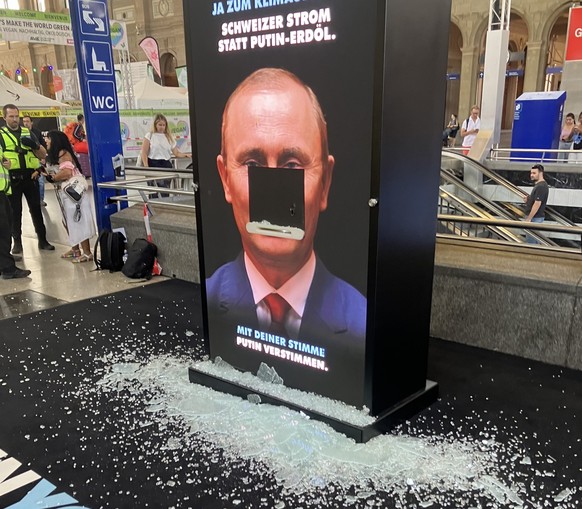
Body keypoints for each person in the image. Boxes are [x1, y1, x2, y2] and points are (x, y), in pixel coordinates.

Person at [207, 67, 366, 352]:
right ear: (225, 180)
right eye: (252, 165)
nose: (273, 194)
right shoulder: (207, 304)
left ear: (325, 183)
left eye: (293, 165)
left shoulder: (364, 327)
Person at [0, 104, 54, 254]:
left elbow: (43, 155)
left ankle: (43, 240)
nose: (15, 119)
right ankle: (17, 243)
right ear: (4, 117)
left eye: (17, 116)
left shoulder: (27, 132)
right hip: (13, 180)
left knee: (36, 209)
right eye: (11, 116)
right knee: (15, 213)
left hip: (31, 178)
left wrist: (35, 145)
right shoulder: (1, 135)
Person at [43, 130, 96, 263]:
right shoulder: (57, 154)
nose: (46, 141)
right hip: (67, 194)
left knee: (78, 221)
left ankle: (87, 253)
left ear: (55, 140)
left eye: (48, 138)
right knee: (68, 221)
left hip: (74, 195)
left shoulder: (63, 153)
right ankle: (75, 249)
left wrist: (53, 177)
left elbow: (66, 172)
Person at [139, 113, 191, 195]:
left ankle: (164, 205)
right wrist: (146, 167)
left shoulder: (169, 137)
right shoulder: (149, 135)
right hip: (153, 164)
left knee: (165, 191)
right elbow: (144, 152)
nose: (162, 127)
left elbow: (176, 152)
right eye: (160, 125)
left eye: (163, 125)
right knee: (154, 191)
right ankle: (154, 206)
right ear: (155, 125)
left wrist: (186, 155)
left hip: (166, 165)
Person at [0, 147, 31, 279]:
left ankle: (4, 260)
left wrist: (6, 164)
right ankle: (7, 268)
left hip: (3, 191)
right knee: (3, 231)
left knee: (6, 227)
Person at [22, 115, 48, 206]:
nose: (25, 123)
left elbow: (43, 145)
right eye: (24, 121)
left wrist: (43, 158)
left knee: (40, 182)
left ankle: (40, 199)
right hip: (26, 163)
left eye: (27, 121)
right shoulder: (21, 133)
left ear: (31, 122)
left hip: (38, 161)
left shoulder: (37, 132)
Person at [523, 163, 549, 244]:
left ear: (541, 173)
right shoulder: (539, 185)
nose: (532, 175)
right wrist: (529, 200)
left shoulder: (541, 186)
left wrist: (529, 218)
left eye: (534, 173)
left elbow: (537, 204)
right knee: (534, 241)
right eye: (531, 173)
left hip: (534, 218)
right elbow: (536, 201)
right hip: (535, 218)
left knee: (531, 243)